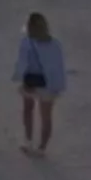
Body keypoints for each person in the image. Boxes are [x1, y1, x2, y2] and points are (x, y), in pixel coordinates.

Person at [12, 12, 66, 156]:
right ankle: (42, 147)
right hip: (48, 83)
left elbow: (23, 63)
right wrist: (59, 84)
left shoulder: (27, 42)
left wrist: (17, 77)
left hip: (31, 81)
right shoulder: (55, 43)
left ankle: (28, 140)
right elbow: (59, 65)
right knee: (46, 116)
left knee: (28, 111)